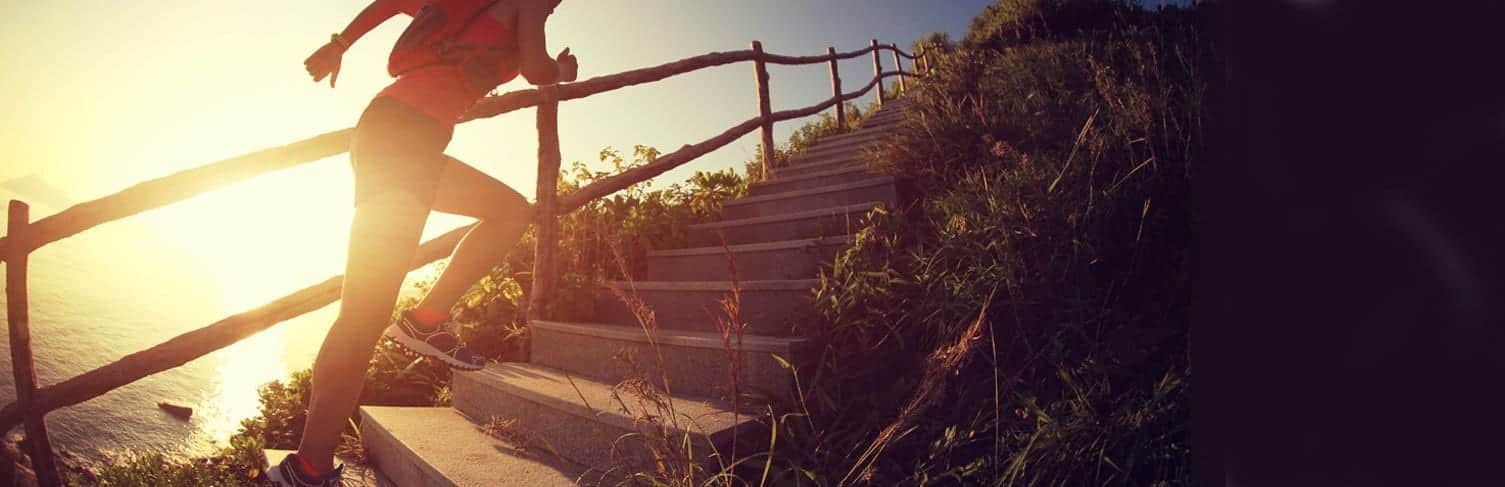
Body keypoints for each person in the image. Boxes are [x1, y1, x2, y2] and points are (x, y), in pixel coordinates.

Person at [268, 0, 577, 485]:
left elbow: (392, 1)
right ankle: (307, 468)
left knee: (508, 211)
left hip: (389, 129)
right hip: (408, 141)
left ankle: (426, 320)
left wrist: (339, 44)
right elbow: (537, 69)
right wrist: (562, 68)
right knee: (363, 317)